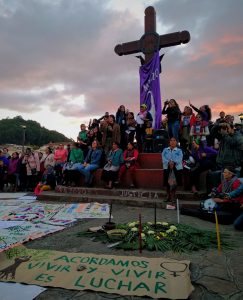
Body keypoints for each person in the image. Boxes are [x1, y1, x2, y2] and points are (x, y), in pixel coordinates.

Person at [162, 137, 183, 203]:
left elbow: (180, 158)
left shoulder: (179, 150)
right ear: (169, 142)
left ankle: (173, 196)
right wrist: (169, 162)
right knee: (166, 182)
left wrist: (173, 162)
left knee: (175, 183)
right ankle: (168, 196)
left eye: (174, 140)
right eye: (171, 140)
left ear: (176, 142)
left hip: (176, 167)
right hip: (166, 167)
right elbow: (163, 157)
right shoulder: (165, 149)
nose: (173, 142)